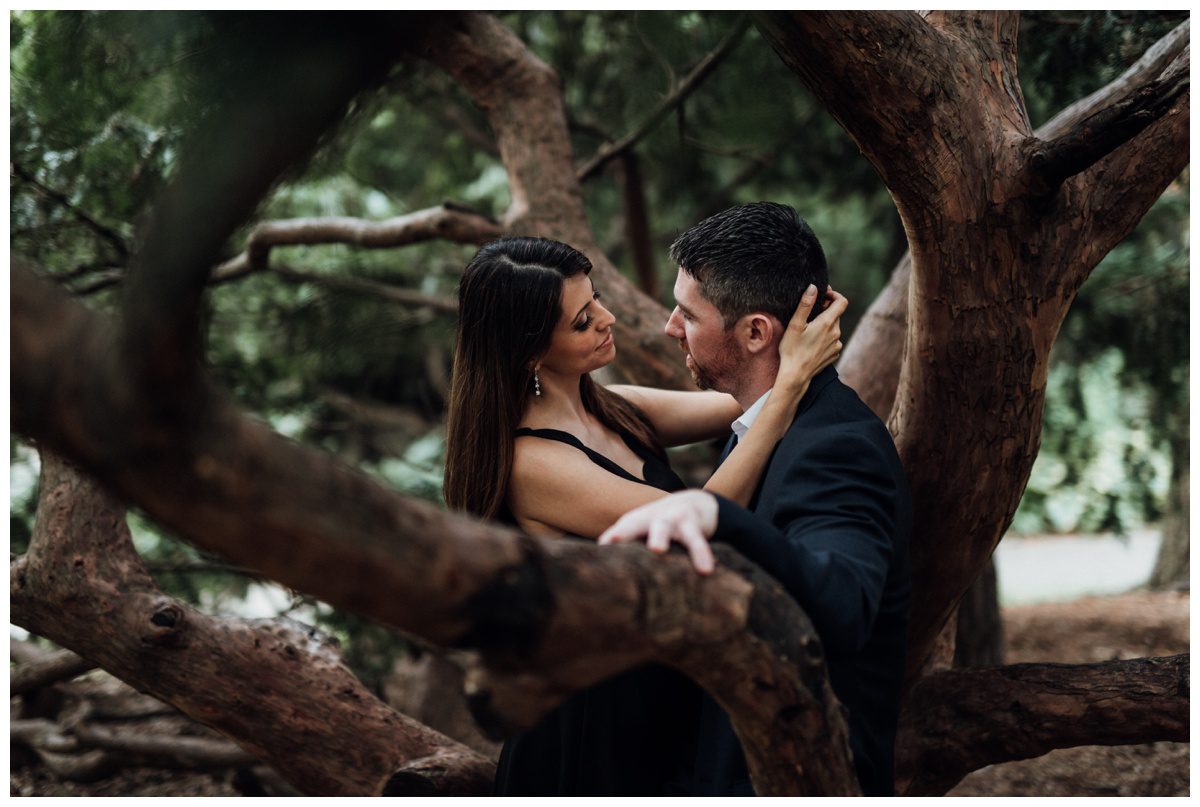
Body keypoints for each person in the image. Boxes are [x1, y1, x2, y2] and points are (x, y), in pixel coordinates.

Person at [443, 235, 847, 795]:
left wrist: (790, 334)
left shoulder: (614, 408)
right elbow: (698, 518)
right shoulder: (531, 463)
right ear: (530, 350)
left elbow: (749, 397)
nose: (608, 318)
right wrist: (792, 381)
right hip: (592, 731)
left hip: (656, 700)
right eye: (583, 320)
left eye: (598, 298)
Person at [600, 202, 913, 797]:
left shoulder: (837, 445)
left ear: (755, 332)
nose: (670, 327)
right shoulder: (767, 425)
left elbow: (844, 605)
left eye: (688, 314)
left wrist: (715, 513)